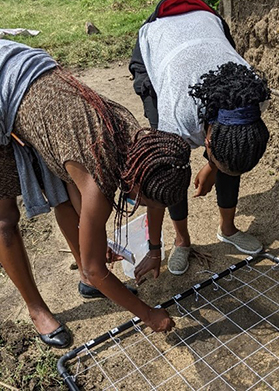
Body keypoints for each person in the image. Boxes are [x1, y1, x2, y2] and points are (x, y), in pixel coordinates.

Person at [0, 39, 191, 348]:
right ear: (136, 187)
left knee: (64, 192)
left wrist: (154, 248)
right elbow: (94, 265)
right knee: (4, 218)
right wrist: (149, 315)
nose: (142, 206)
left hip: (29, 71)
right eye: (144, 202)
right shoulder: (99, 184)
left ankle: (88, 283)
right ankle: (37, 310)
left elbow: (83, 188)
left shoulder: (142, 147)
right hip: (10, 80)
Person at [129, 0, 270, 281]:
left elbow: (232, 146)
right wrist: (155, 250)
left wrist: (213, 165)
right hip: (159, 43)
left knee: (233, 154)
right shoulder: (176, 115)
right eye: (211, 151)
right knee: (175, 170)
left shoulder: (254, 96)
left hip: (208, 25)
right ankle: (182, 240)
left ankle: (227, 229)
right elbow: (160, 181)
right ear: (207, 140)